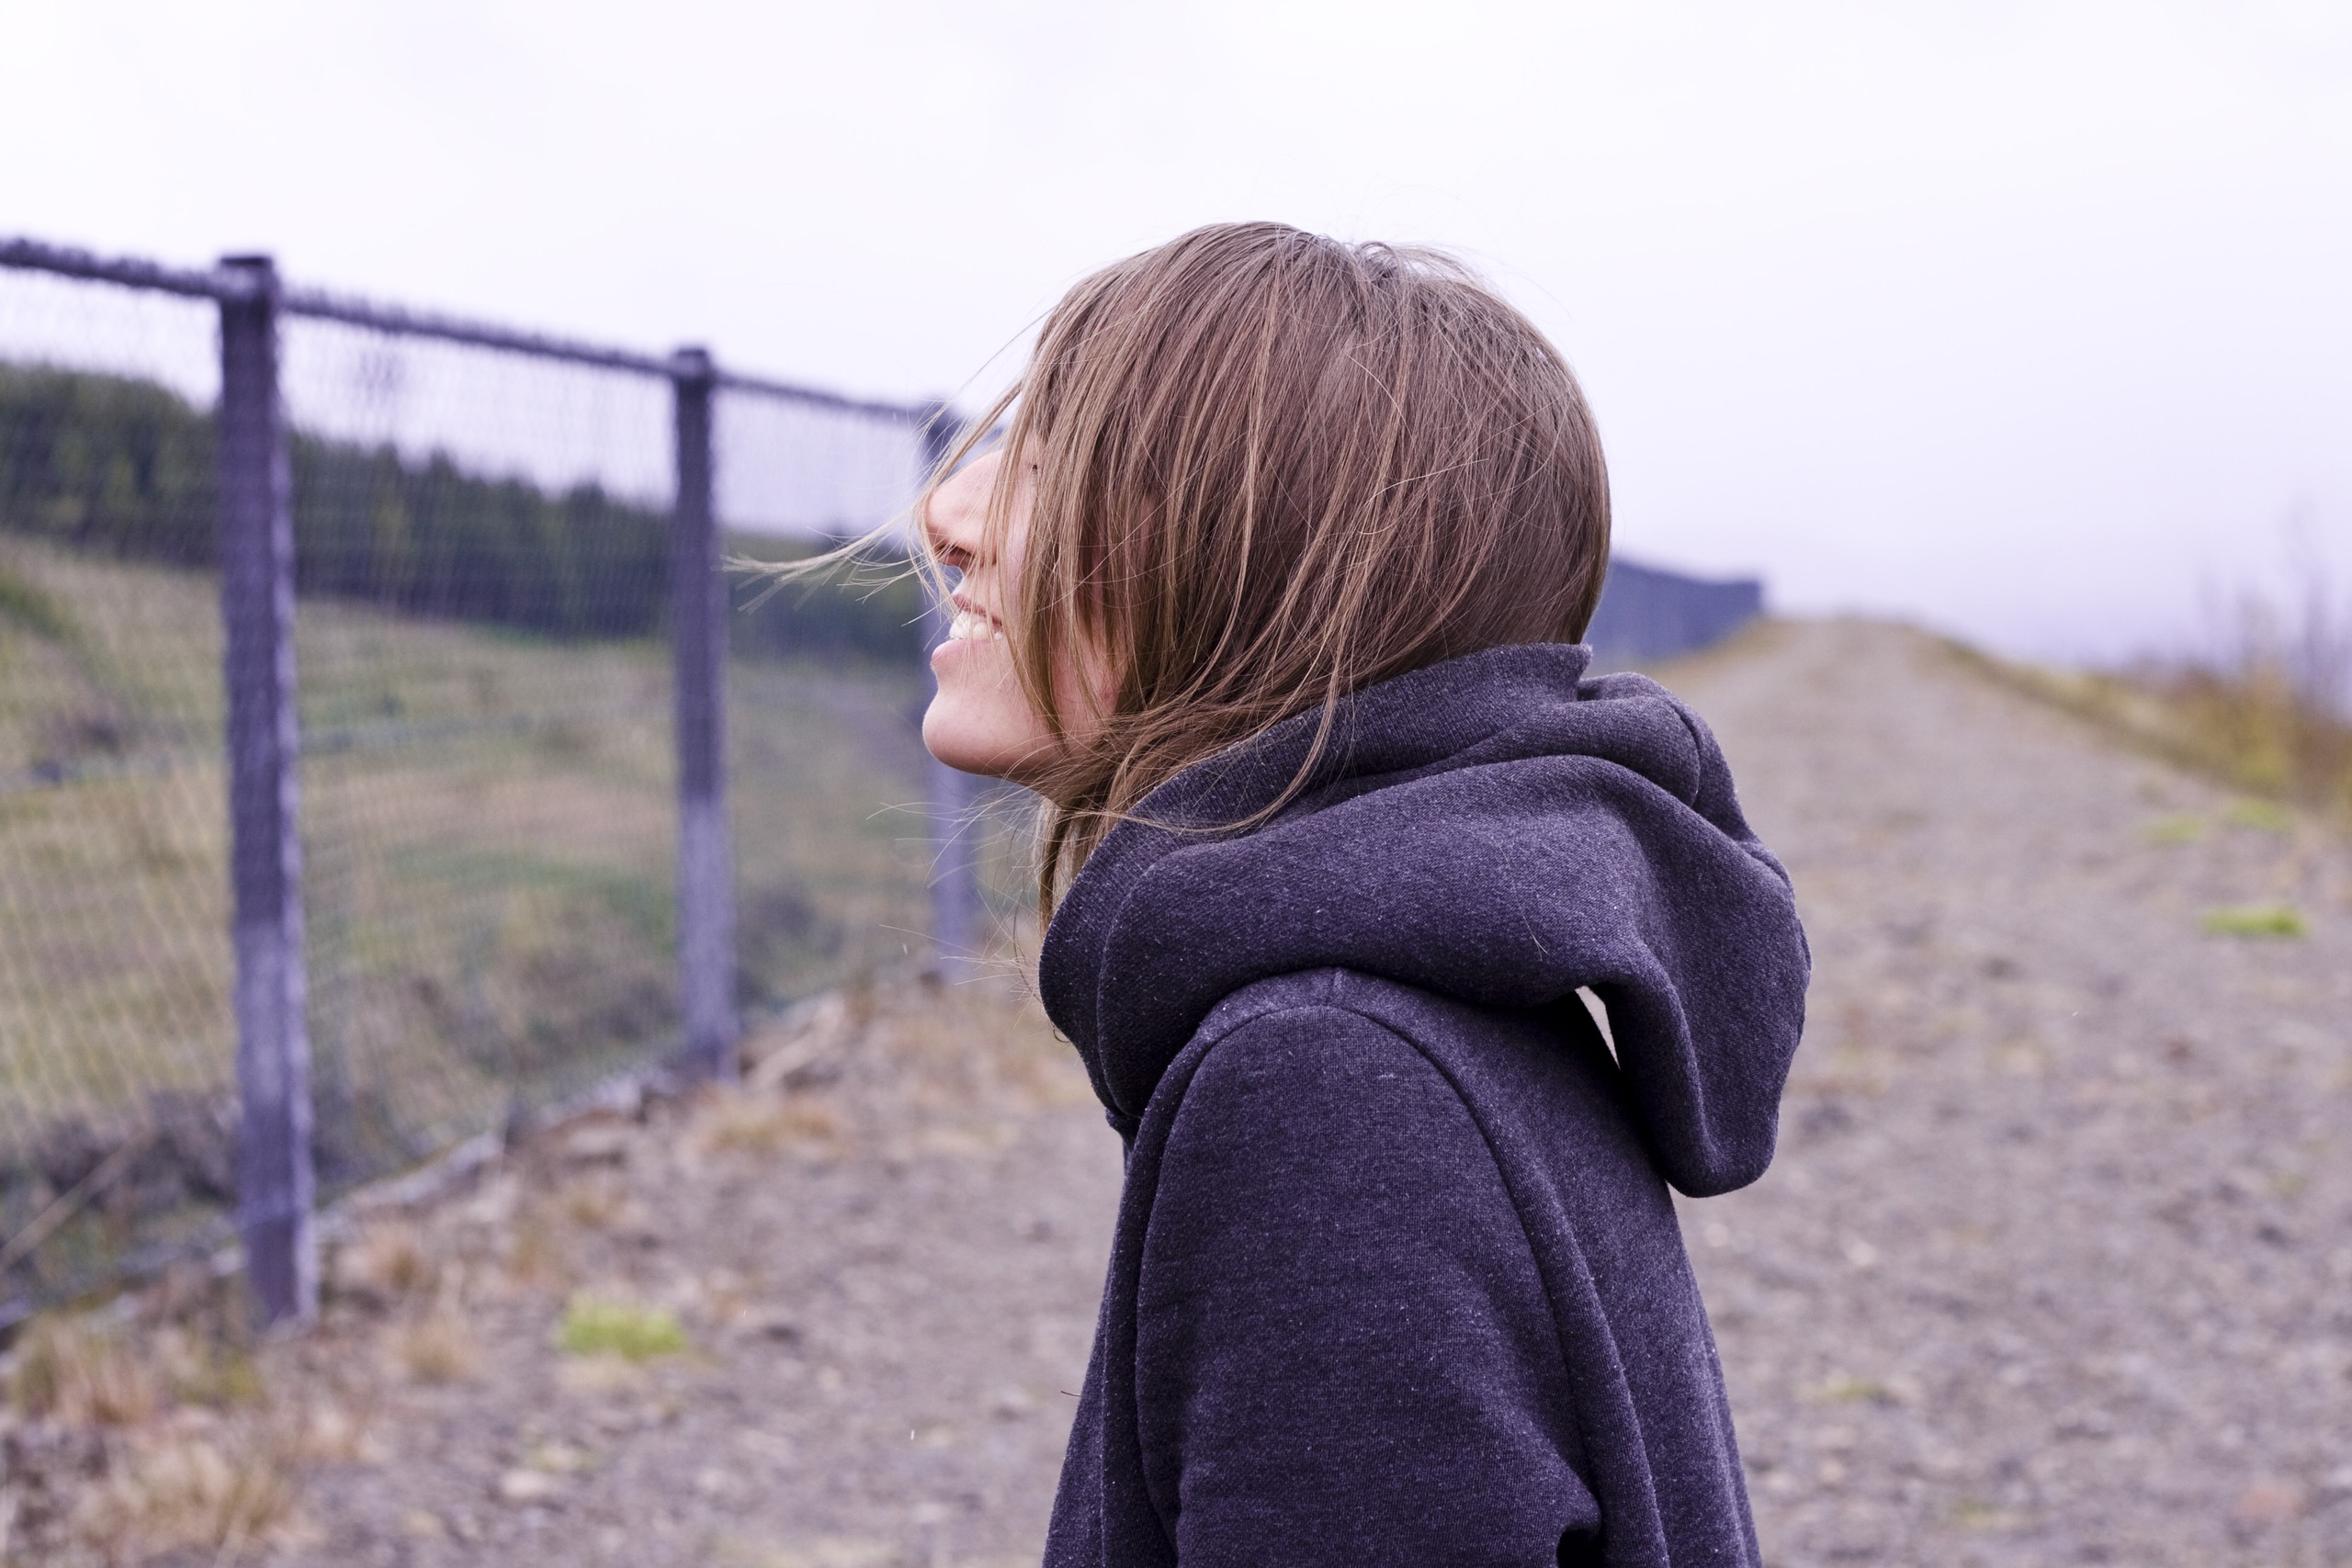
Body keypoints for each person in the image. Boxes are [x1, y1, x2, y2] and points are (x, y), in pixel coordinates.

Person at [918, 223, 1809, 1568]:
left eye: (1049, 467)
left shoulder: (1325, 1082)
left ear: (1263, 565)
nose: (948, 516)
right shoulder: (1427, 989)